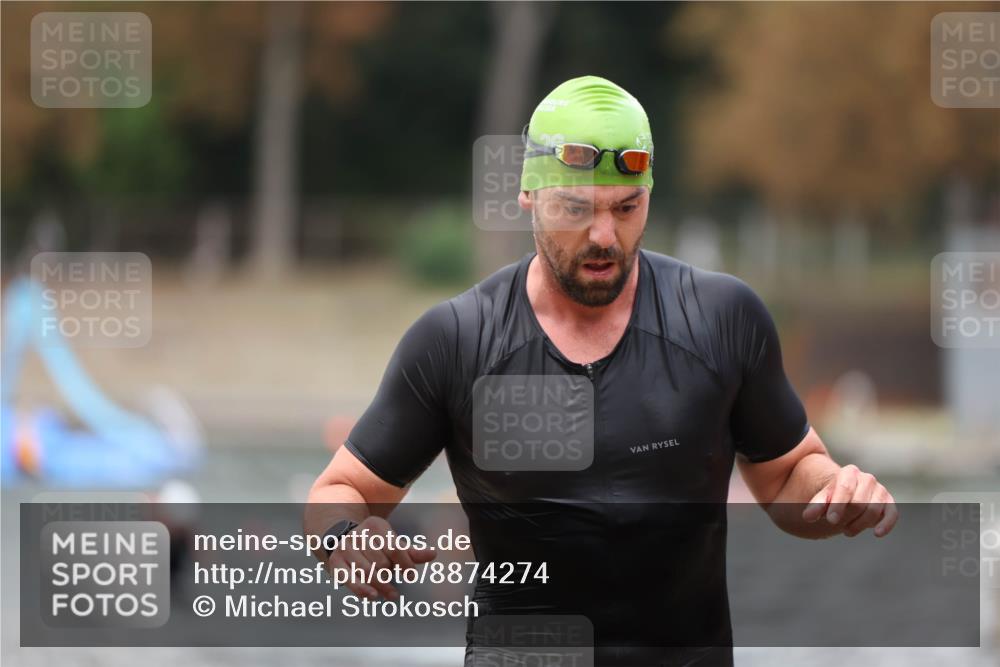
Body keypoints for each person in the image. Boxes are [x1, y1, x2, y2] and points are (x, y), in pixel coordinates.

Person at [305, 75, 898, 666]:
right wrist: (343, 539)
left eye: (626, 207)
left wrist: (836, 494)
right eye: (576, 209)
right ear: (528, 197)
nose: (604, 236)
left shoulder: (721, 318)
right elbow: (339, 490)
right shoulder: (459, 339)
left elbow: (789, 475)